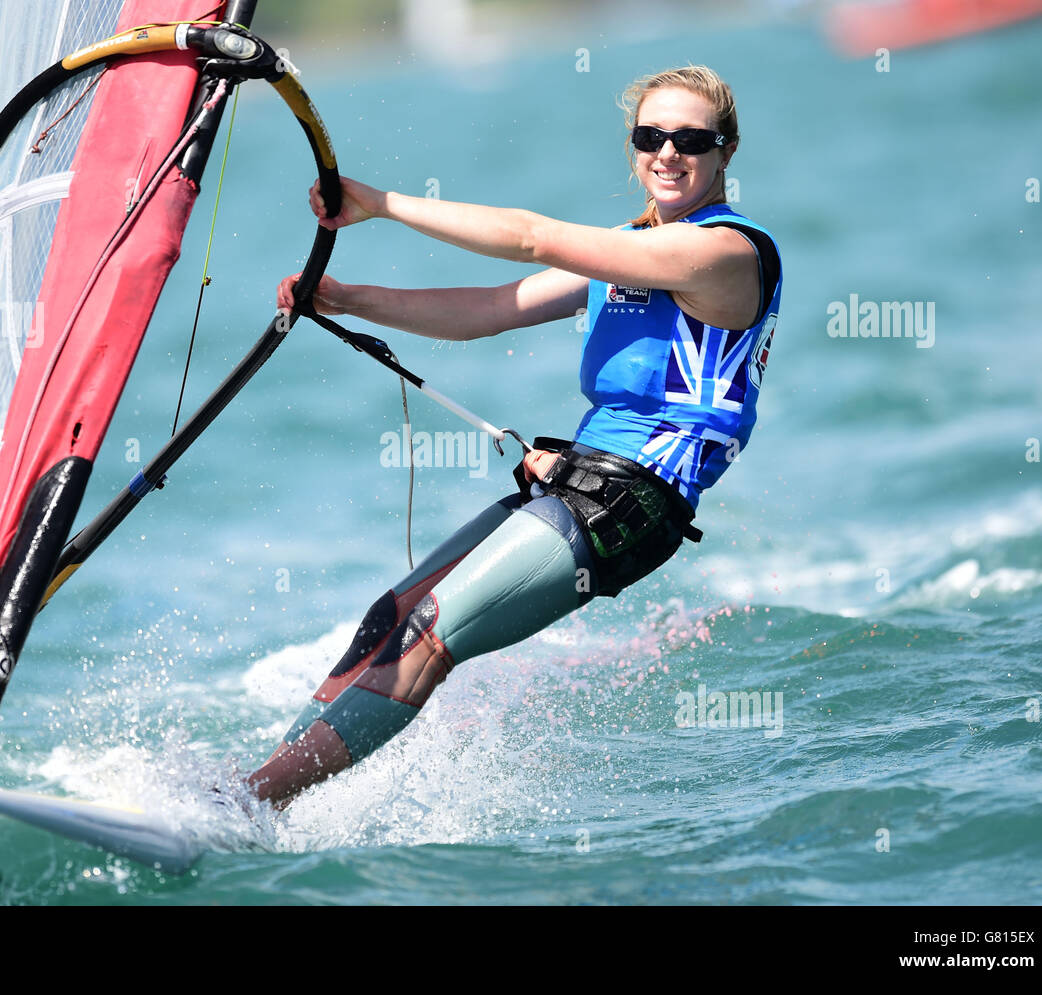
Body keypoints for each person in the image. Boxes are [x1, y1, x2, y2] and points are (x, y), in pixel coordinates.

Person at [244, 65, 782, 808]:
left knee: (431, 634)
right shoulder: (629, 251)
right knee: (392, 616)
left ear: (725, 153)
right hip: (580, 478)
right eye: (649, 136)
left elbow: (532, 240)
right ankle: (271, 783)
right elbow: (489, 310)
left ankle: (248, 801)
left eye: (690, 138)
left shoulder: (724, 253)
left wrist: (382, 204)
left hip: (635, 500)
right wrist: (345, 299)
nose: (667, 152)